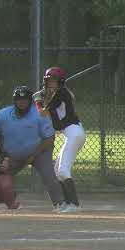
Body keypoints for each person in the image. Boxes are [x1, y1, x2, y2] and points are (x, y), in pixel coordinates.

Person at [0, 85, 70, 212]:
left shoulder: (40, 115)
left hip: (39, 151)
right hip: (11, 155)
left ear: (30, 101)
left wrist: (33, 155)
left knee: (49, 175)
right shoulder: (2, 115)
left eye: (25, 99)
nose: (22, 102)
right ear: (14, 101)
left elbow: (49, 139)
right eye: (18, 99)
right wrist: (1, 157)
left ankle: (60, 203)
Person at [33, 67, 86, 212]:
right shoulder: (58, 93)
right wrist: (44, 98)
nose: (50, 82)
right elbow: (50, 111)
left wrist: (37, 101)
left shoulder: (61, 93)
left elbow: (42, 113)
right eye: (48, 80)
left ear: (60, 81)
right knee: (58, 169)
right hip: (71, 133)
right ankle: (66, 204)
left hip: (74, 133)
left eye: (53, 80)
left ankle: (74, 205)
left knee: (63, 170)